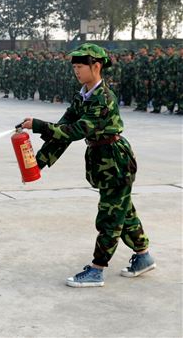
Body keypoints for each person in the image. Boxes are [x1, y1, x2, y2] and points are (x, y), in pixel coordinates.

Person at [20, 43, 154, 288]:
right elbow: (62, 130)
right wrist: (37, 163)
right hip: (101, 158)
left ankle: (97, 269)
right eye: (74, 67)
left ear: (96, 66)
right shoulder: (83, 94)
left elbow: (77, 130)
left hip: (115, 160)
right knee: (123, 211)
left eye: (80, 66)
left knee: (110, 217)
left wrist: (38, 125)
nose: (76, 71)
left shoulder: (103, 98)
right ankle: (143, 256)